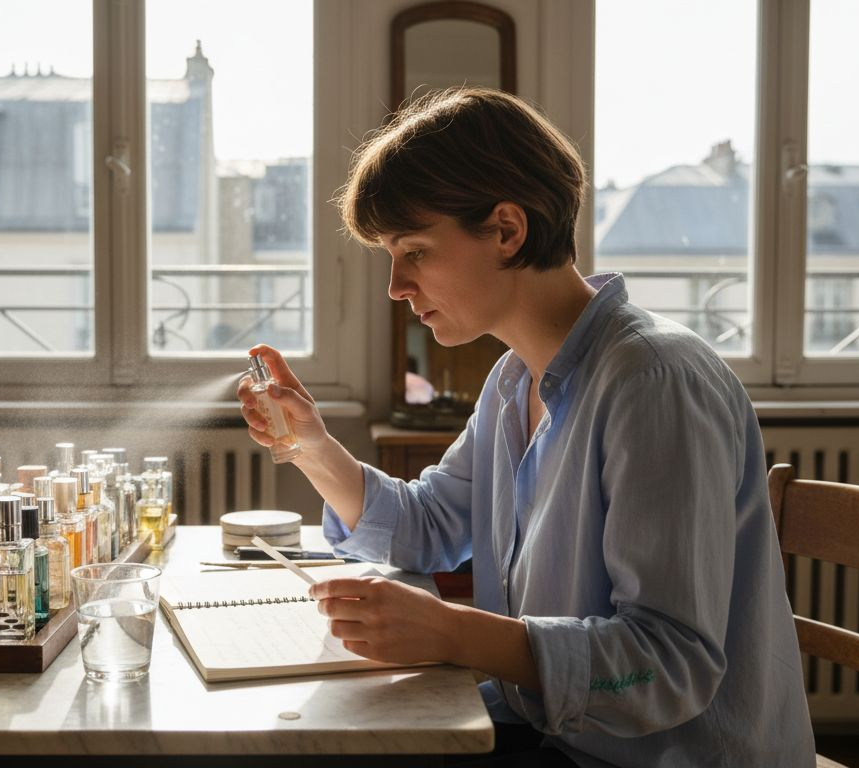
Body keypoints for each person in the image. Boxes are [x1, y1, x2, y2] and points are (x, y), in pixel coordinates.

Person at [237, 87, 814, 767]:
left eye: (415, 251)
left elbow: (667, 666)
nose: (396, 285)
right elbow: (429, 526)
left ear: (507, 230)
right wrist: (310, 444)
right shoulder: (514, 380)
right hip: (554, 731)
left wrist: (451, 632)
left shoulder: (653, 383)